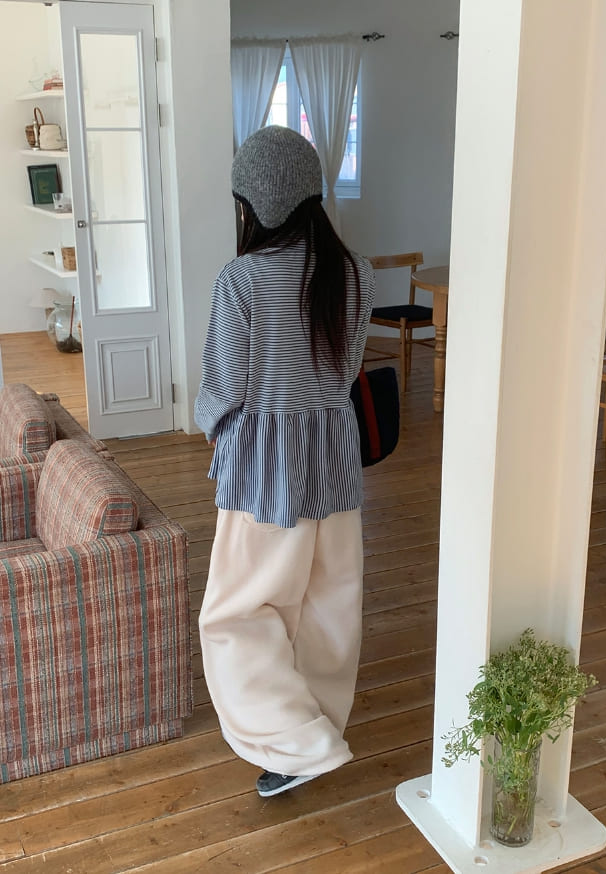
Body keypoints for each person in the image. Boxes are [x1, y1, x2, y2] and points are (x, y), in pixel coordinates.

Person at [194, 125, 375, 798]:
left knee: (238, 613)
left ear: (253, 204)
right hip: (333, 458)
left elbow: (224, 388)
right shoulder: (355, 273)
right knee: (329, 603)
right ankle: (315, 726)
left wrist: (213, 432)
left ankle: (299, 744)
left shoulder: (241, 278)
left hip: (263, 468)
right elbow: (347, 371)